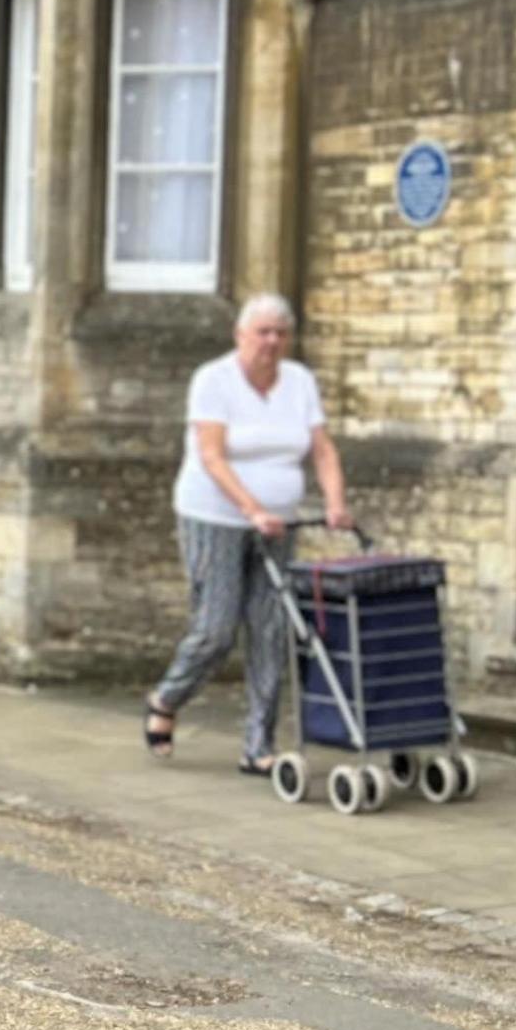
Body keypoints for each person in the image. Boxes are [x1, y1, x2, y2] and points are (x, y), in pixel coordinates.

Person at [145, 293, 352, 773]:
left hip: (277, 523)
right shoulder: (213, 381)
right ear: (241, 336)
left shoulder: (299, 382)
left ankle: (258, 745)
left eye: (281, 333)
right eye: (263, 332)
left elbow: (322, 450)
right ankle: (167, 698)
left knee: (271, 629)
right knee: (215, 629)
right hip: (214, 515)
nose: (273, 342)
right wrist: (252, 509)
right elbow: (212, 456)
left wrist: (336, 503)